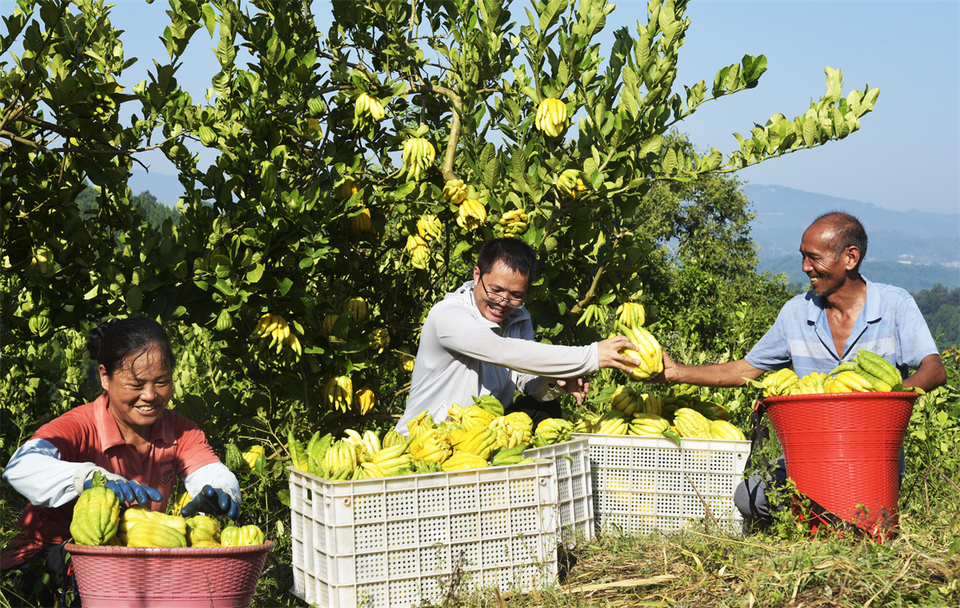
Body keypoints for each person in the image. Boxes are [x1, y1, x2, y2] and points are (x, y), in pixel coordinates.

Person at [649, 211, 946, 522]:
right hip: (808, 457)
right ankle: (812, 520)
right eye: (803, 257)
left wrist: (887, 396)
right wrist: (675, 372)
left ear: (850, 258)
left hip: (870, 458)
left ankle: (835, 521)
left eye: (813, 258)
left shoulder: (894, 305)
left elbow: (934, 369)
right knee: (748, 499)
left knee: (862, 520)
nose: (806, 267)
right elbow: (745, 370)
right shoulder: (795, 313)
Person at [1, 317, 242, 606]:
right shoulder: (79, 426)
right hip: (48, 561)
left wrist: (223, 492)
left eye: (162, 382)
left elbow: (211, 472)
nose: (150, 396)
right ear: (105, 376)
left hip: (132, 567)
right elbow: (20, 467)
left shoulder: (180, 431)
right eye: (136, 384)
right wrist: (87, 478)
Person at [396, 238, 643, 434]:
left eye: (516, 295)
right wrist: (591, 355)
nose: (503, 302)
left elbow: (525, 379)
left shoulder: (518, 317)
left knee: (545, 406)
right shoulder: (448, 314)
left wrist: (554, 382)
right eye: (496, 290)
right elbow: (499, 350)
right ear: (477, 275)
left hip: (484, 432)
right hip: (432, 435)